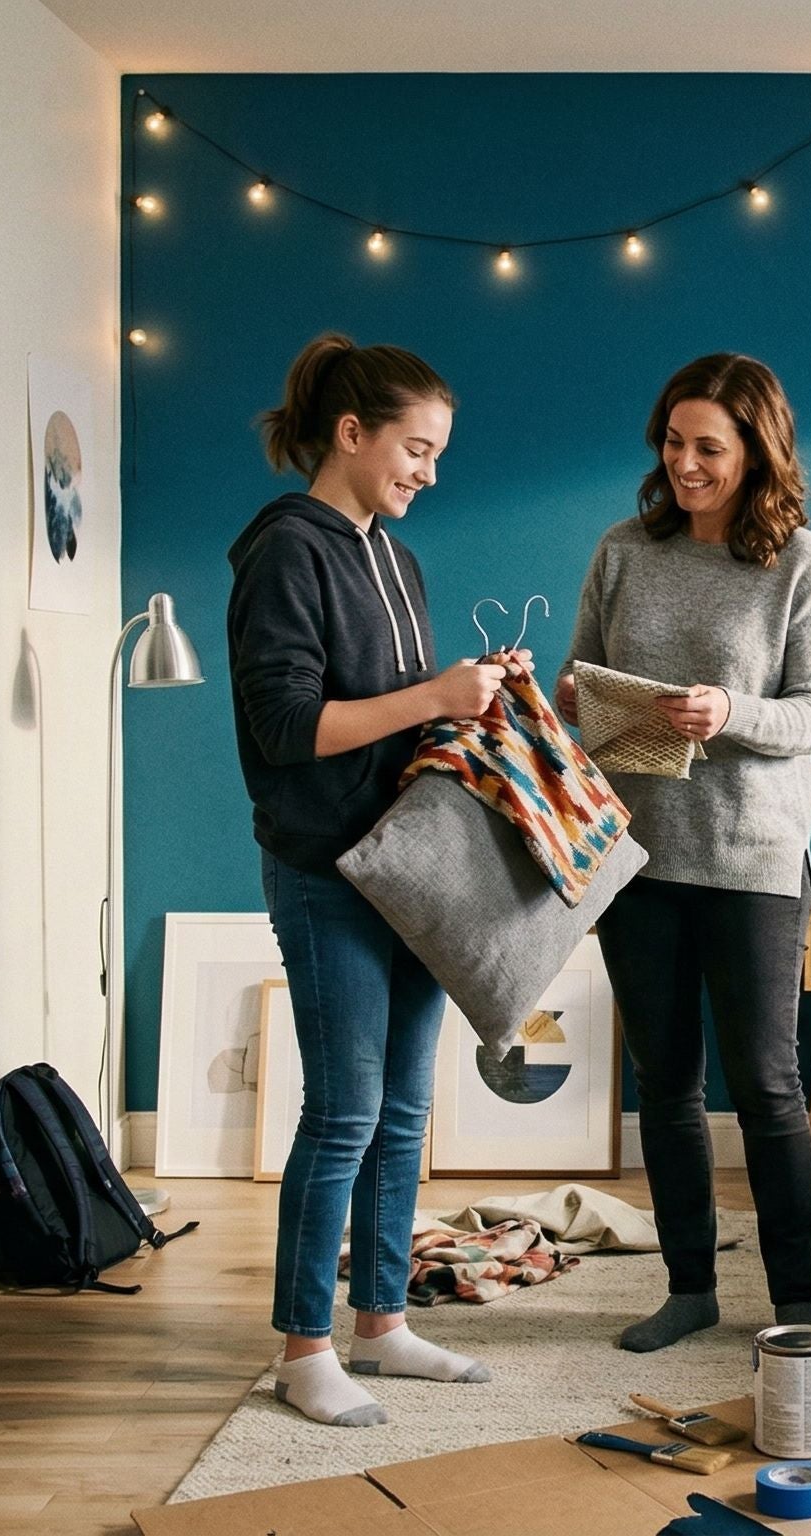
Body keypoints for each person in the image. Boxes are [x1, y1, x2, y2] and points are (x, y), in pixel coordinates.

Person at [228, 333, 526, 1424]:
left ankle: (383, 1323)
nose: (429, 473)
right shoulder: (284, 549)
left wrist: (477, 693)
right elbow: (289, 723)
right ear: (350, 434)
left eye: (438, 454)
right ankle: (305, 1350)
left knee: (403, 1110)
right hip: (323, 870)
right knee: (345, 1111)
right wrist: (435, 696)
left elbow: (404, 715)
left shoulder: (393, 557)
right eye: (416, 448)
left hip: (408, 870)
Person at [558, 353, 811, 1352]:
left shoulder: (798, 562)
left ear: (756, 451)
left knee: (767, 1086)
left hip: (754, 861)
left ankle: (796, 1302)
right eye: (673, 444)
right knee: (665, 1081)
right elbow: (578, 682)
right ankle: (689, 1289)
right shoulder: (624, 551)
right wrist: (565, 699)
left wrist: (727, 709)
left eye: (708, 448)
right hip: (636, 858)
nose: (685, 464)